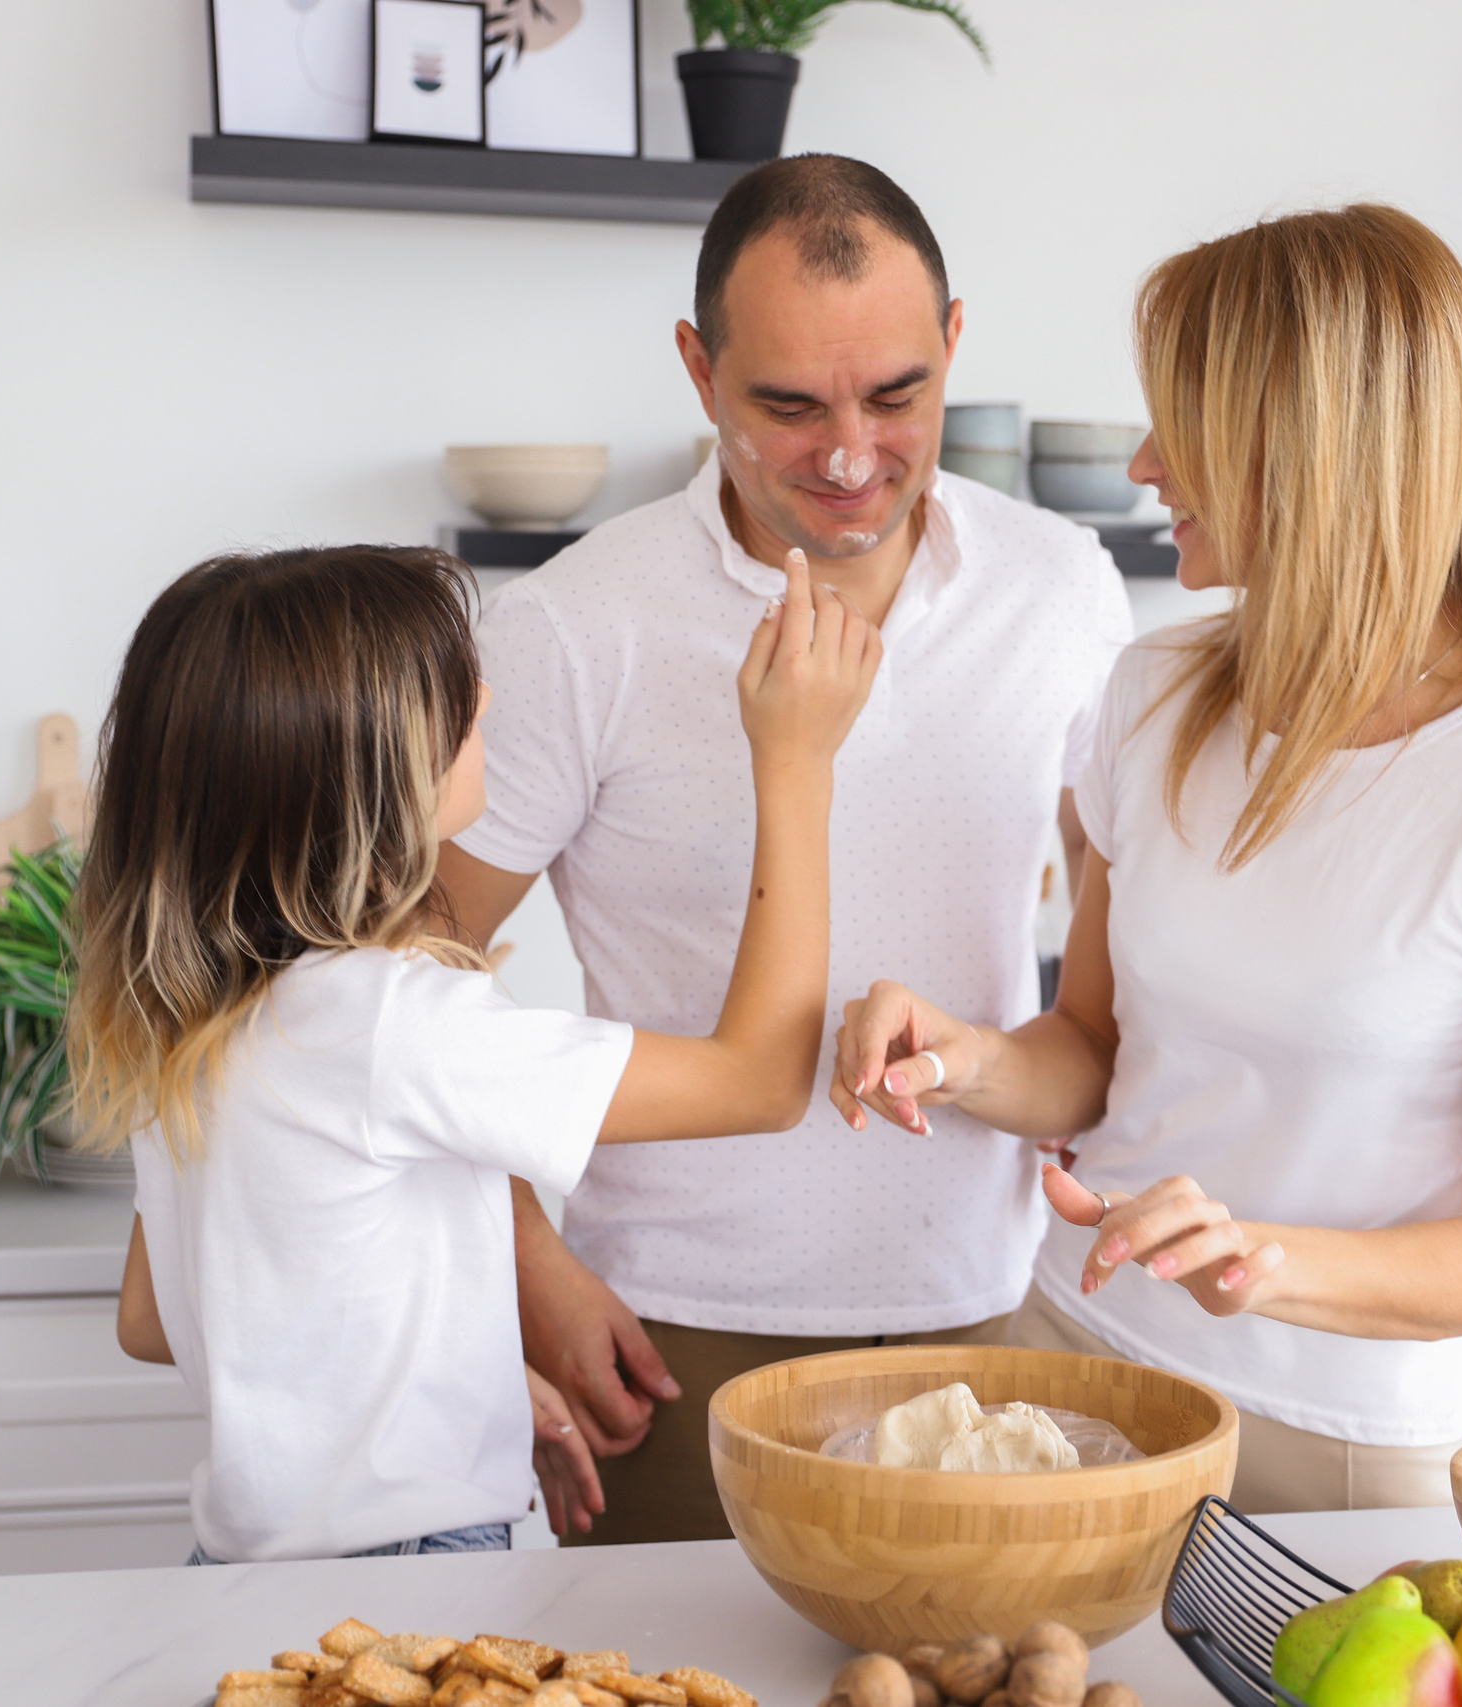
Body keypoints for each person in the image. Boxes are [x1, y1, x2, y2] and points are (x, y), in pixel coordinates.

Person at [830, 205, 1462, 1514]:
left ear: (1313, 451)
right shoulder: (1155, 689)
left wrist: (1262, 1257)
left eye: (1188, 427)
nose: (1147, 465)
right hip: (1079, 1357)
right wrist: (965, 1057)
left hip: (1347, 1435)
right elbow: (1095, 1048)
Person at [434, 154, 1133, 1543]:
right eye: (788, 405)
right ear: (699, 371)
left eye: (896, 394)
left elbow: (1110, 994)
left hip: (990, 1314)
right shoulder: (580, 626)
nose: (852, 453)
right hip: (673, 1340)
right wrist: (526, 1260)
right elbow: (406, 973)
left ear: (953, 346)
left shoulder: (1063, 592)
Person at [83, 542, 879, 1562]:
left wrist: (458, 1386)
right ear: (362, 772)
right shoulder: (387, 1019)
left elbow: (155, 1321)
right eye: (454, 694)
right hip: (406, 1575)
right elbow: (762, 1082)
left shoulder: (199, 1016)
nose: (489, 695)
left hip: (243, 1567)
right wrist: (797, 762)